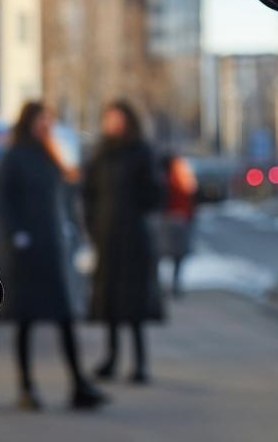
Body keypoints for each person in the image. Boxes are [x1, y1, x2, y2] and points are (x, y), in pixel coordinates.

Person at [0, 101, 107, 411]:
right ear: (28, 121)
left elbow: (67, 199)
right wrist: (18, 235)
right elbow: (4, 201)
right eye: (41, 119)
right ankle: (26, 387)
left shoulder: (52, 153)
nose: (46, 124)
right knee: (26, 320)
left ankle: (78, 384)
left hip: (56, 249)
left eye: (49, 119)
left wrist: (75, 233)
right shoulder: (14, 157)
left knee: (66, 317)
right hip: (29, 252)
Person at [81, 101, 164, 384]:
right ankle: (111, 358)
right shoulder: (101, 155)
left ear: (128, 121)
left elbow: (154, 194)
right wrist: (92, 226)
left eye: (117, 119)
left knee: (134, 302)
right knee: (111, 301)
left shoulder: (141, 152)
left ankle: (140, 363)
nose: (112, 124)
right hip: (107, 237)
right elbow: (89, 194)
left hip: (134, 239)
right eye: (109, 119)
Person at [160, 153, 199, 298]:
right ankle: (174, 285)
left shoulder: (165, 176)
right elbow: (191, 196)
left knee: (165, 254)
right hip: (179, 219)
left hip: (170, 218)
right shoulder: (183, 175)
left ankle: (167, 286)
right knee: (176, 256)